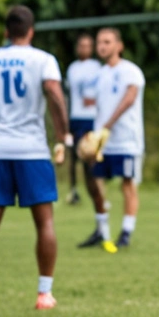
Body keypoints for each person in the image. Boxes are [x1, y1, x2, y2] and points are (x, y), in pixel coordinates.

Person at [0, 5, 71, 314]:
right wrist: (64, 136)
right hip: (32, 151)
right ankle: (44, 294)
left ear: (6, 32)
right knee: (44, 223)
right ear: (31, 31)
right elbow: (55, 96)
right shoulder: (44, 60)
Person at [79, 28, 146, 250]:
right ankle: (103, 231)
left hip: (126, 139)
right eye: (99, 42)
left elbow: (129, 98)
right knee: (95, 184)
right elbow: (93, 105)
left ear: (119, 45)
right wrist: (92, 134)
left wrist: (108, 124)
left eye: (107, 42)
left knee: (127, 184)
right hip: (102, 141)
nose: (102, 46)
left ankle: (126, 232)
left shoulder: (131, 71)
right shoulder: (98, 75)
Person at [65, 33, 102, 206]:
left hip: (91, 119)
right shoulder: (72, 68)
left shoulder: (97, 67)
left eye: (87, 45)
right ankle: (73, 192)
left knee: (91, 158)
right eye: (81, 45)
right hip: (75, 118)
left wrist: (94, 101)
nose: (84, 48)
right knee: (73, 158)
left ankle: (97, 192)